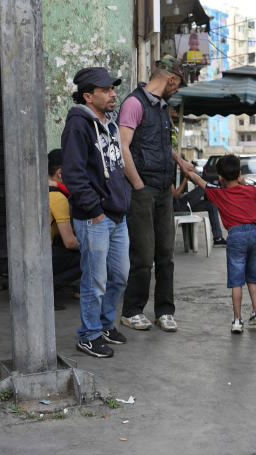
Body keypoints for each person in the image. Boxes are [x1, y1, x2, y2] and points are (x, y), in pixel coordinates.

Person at [118, 56, 196, 332]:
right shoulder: (133, 103)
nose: (177, 90)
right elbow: (123, 146)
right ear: (171, 79)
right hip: (143, 189)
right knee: (143, 254)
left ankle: (164, 311)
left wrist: (180, 161)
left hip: (164, 189)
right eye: (177, 84)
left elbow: (162, 144)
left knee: (166, 253)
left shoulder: (162, 108)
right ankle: (132, 310)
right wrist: (138, 185)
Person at [60, 67, 132, 358]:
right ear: (88, 96)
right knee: (95, 279)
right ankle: (88, 335)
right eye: (106, 90)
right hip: (95, 217)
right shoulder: (78, 125)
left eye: (113, 88)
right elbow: (73, 175)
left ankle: (103, 324)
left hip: (117, 215)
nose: (114, 94)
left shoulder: (110, 122)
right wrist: (95, 211)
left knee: (119, 276)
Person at [185, 154, 256, 334]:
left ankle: (237, 321)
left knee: (236, 281)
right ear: (238, 173)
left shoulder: (219, 194)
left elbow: (201, 182)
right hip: (254, 234)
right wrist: (243, 181)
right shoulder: (250, 190)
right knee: (252, 278)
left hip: (236, 236)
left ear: (220, 177)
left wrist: (189, 171)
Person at [47, 148, 81, 309]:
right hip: (37, 257)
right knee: (89, 256)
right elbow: (70, 243)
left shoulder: (34, 190)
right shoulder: (57, 197)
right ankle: (48, 289)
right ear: (60, 173)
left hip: (9, 258)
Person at [172, 166, 226, 247]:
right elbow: (175, 195)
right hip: (177, 207)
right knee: (203, 186)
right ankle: (219, 197)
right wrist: (185, 178)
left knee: (212, 205)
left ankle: (218, 238)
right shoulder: (164, 177)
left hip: (182, 204)